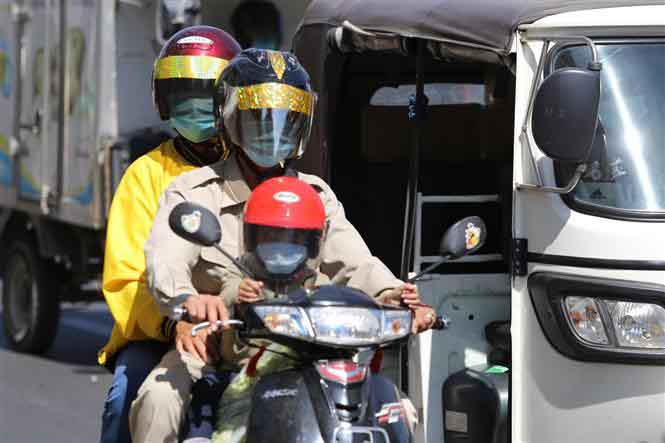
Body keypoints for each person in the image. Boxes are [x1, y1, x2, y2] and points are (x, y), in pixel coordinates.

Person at [130, 49, 436, 443]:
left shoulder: (315, 195)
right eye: (258, 119)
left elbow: (355, 263)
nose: (272, 133)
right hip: (216, 348)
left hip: (307, 350)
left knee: (396, 410)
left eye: (286, 121)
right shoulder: (193, 192)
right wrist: (188, 302)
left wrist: (396, 295)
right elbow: (165, 260)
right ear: (228, 117)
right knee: (158, 401)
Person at [98, 25, 241, 443]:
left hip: (245, 325)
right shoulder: (145, 175)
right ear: (164, 102)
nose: (196, 108)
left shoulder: (253, 166)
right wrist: (173, 322)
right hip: (162, 330)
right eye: (183, 97)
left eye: (207, 97)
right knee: (127, 397)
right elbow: (127, 280)